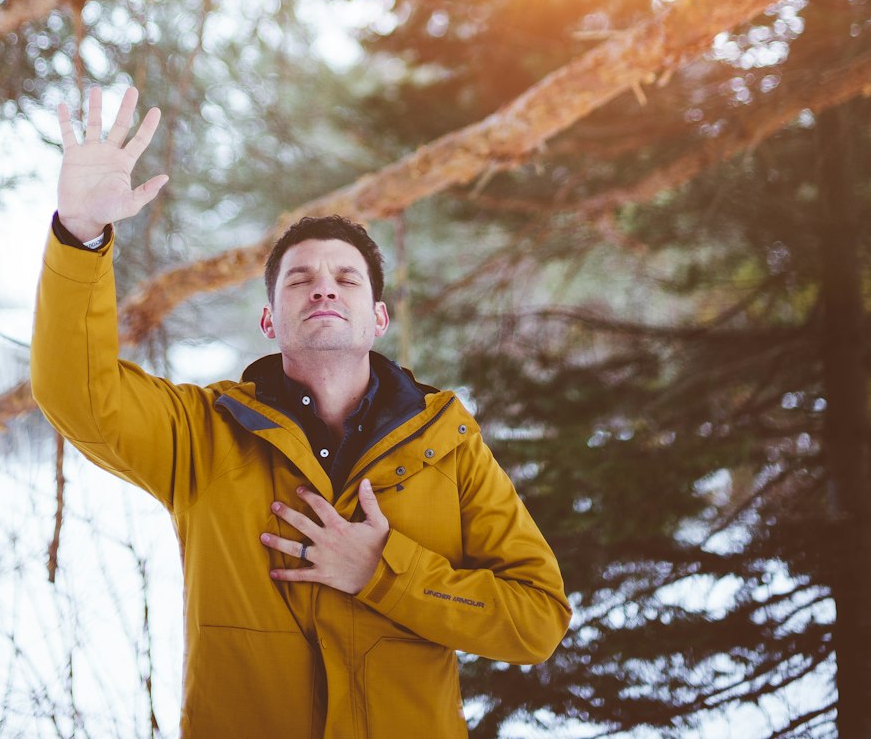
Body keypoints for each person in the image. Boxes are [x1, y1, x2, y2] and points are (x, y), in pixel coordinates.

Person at [31, 85, 571, 738]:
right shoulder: (203, 435)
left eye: (346, 278)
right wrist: (80, 235)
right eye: (299, 278)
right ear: (268, 319)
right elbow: (76, 393)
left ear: (378, 318)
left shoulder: (448, 444)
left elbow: (536, 619)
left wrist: (384, 572)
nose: (322, 285)